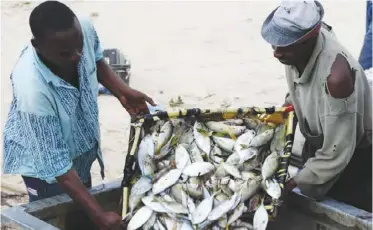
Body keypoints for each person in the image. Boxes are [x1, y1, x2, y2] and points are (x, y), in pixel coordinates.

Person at [2, 1, 155, 229]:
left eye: (78, 46)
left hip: (78, 152)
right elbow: (58, 168)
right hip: (44, 169)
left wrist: (122, 91)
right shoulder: (32, 90)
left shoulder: (81, 29)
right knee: (58, 217)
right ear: (37, 46)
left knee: (81, 214)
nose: (76, 56)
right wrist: (100, 215)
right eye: (65, 53)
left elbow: (95, 57)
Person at [261, 0, 372, 212]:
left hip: (353, 156)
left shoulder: (337, 80)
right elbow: (300, 89)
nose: (276, 53)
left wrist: (292, 186)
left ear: (307, 40)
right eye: (274, 44)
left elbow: (335, 153)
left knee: (347, 206)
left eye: (284, 46)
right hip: (321, 138)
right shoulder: (301, 49)